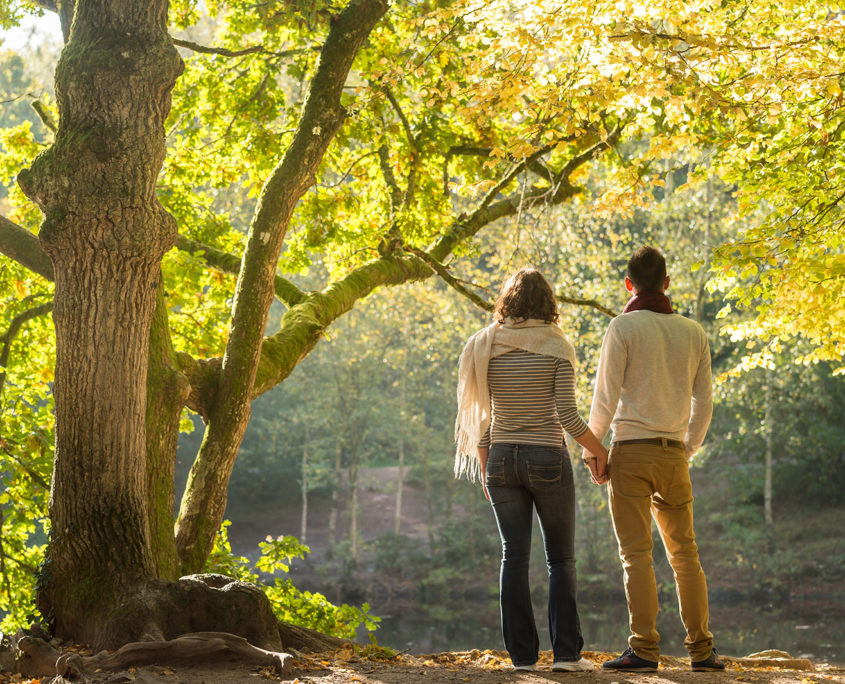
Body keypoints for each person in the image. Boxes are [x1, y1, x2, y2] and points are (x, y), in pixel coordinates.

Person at [455, 267, 607, 673]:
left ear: (507, 301)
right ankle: (567, 657)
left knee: (513, 557)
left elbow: (483, 419)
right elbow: (567, 416)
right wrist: (599, 450)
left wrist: (486, 466)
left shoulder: (487, 344)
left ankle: (522, 659)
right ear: (549, 303)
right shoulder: (557, 345)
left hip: (501, 459)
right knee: (560, 559)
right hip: (547, 459)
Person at [583, 246, 724, 672]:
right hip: (672, 454)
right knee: (686, 555)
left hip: (630, 453)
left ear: (629, 284)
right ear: (666, 283)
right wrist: (687, 448)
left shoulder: (623, 327)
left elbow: (604, 399)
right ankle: (701, 651)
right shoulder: (693, 332)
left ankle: (644, 650)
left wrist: (593, 449)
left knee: (636, 556)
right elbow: (705, 403)